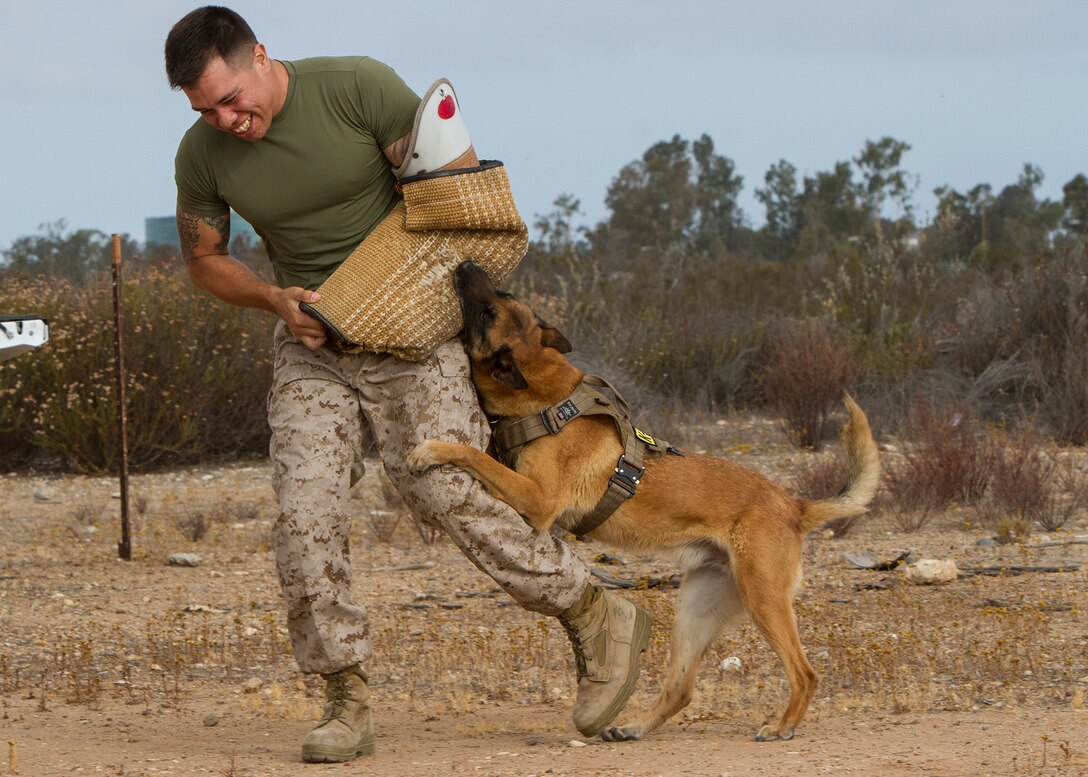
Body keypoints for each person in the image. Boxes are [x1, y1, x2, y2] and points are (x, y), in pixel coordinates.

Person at [164, 6, 651, 765]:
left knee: (444, 487)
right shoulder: (202, 154)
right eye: (208, 110)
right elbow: (203, 259)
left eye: (233, 98)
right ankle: (345, 697)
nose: (227, 119)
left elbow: (457, 200)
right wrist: (274, 299)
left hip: (411, 333)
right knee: (304, 513)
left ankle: (591, 609)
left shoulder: (358, 88)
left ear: (260, 55)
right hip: (310, 341)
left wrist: (422, 296)